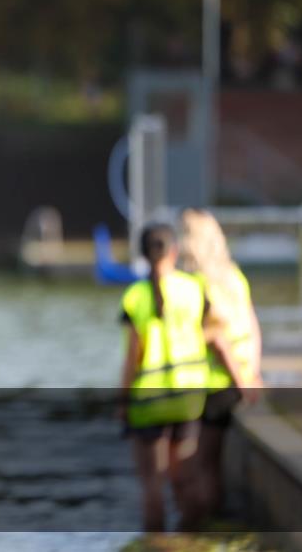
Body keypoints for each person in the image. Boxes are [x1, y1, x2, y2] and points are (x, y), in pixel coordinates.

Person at [119, 223, 210, 532]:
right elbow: (212, 329)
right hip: (188, 398)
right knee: (187, 478)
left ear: (143, 255)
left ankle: (156, 544)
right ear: (174, 251)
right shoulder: (194, 287)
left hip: (148, 401)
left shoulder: (135, 296)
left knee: (153, 486)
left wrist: (122, 401)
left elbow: (133, 357)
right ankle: (190, 540)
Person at [180, 208, 263, 520]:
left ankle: (205, 527)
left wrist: (240, 381)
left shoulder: (196, 285)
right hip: (240, 377)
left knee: (203, 465)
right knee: (210, 464)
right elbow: (252, 325)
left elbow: (216, 340)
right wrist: (252, 372)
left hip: (216, 385)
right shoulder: (234, 276)